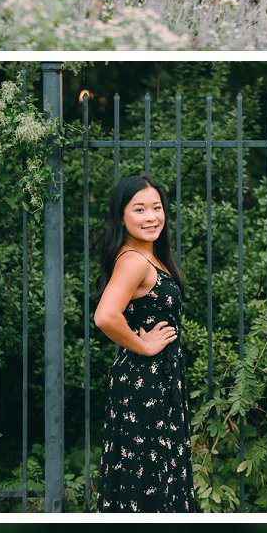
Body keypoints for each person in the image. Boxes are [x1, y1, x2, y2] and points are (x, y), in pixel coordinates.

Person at [93, 176, 196, 513]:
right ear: (121, 216)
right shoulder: (134, 261)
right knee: (148, 479)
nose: (151, 217)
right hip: (144, 384)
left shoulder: (149, 257)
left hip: (158, 382)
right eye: (139, 209)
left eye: (156, 208)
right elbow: (105, 316)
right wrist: (144, 345)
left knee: (155, 476)